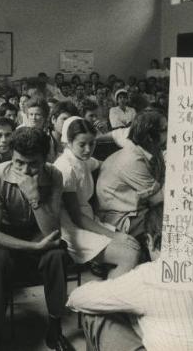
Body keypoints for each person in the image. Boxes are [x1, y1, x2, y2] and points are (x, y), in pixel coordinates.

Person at [67, 208, 193, 351]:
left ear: (149, 240)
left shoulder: (149, 275)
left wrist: (114, 284)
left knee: (95, 313)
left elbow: (76, 298)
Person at [0, 127, 74, 350]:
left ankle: (55, 327)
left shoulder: (54, 175)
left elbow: (52, 231)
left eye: (33, 163)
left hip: (39, 231)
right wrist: (33, 247)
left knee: (56, 254)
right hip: (7, 236)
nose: (25, 170)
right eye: (18, 162)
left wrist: (34, 198)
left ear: (45, 159)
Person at [54, 117, 140, 278]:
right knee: (129, 255)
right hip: (73, 230)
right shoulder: (65, 168)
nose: (88, 149)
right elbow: (77, 218)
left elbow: (104, 164)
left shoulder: (82, 159)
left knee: (134, 245)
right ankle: (107, 298)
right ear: (69, 142)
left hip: (89, 220)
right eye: (82, 144)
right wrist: (113, 235)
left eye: (92, 144)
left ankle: (112, 289)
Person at [95, 112, 166, 241]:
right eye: (165, 130)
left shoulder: (152, 150)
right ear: (150, 136)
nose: (170, 134)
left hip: (137, 209)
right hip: (121, 218)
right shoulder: (132, 159)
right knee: (168, 222)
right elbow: (158, 200)